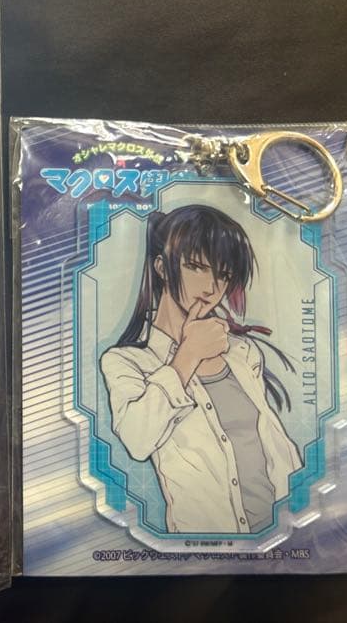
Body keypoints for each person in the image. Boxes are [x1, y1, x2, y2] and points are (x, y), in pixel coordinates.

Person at [100, 205, 302, 535]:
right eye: (196, 267)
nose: (211, 287)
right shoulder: (127, 362)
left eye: (223, 275)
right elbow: (137, 440)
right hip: (204, 543)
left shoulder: (241, 352)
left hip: (280, 529)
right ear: (162, 267)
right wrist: (187, 356)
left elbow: (271, 442)